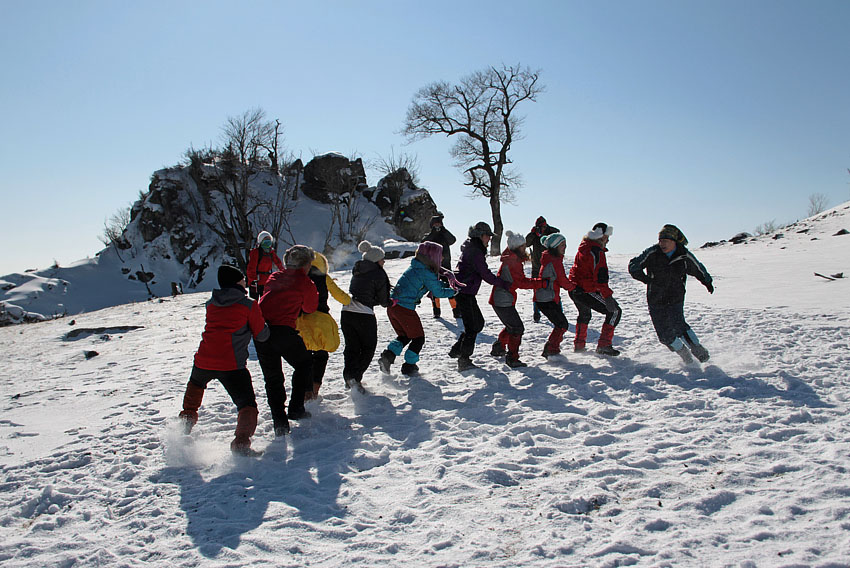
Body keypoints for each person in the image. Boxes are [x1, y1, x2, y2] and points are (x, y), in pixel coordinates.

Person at [178, 265, 269, 456]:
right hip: (231, 364)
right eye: (242, 279)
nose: (245, 281)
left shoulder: (211, 303)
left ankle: (182, 430)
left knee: (194, 393)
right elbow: (261, 335)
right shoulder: (248, 304)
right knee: (247, 405)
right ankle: (241, 443)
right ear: (238, 282)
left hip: (203, 359)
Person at [255, 245, 319, 435]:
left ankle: (280, 423)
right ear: (305, 264)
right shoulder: (305, 282)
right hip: (283, 331)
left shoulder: (275, 277)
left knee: (273, 379)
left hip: (261, 331)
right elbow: (310, 308)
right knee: (305, 364)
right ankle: (296, 408)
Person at [628, 224, 714, 364]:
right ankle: (683, 352)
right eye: (660, 241)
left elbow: (698, 268)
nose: (662, 244)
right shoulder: (652, 253)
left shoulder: (683, 255)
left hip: (676, 296)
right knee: (664, 335)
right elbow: (634, 265)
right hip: (655, 297)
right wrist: (643, 277)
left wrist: (707, 281)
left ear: (674, 241)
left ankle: (698, 349)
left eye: (665, 241)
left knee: (678, 325)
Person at [379, 241, 460, 376]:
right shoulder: (426, 272)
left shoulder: (416, 267)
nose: (442, 259)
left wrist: (443, 284)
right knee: (418, 338)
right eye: (440, 256)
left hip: (393, 307)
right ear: (432, 257)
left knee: (404, 336)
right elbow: (438, 292)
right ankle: (409, 366)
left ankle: (387, 357)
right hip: (404, 308)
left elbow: (432, 284)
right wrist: (454, 292)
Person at [449, 221, 511, 371]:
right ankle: (464, 359)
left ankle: (457, 350)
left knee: (478, 323)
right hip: (464, 292)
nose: (489, 239)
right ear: (481, 236)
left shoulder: (472, 247)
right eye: (488, 236)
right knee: (473, 326)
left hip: (465, 291)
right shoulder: (475, 251)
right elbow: (485, 274)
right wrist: (503, 283)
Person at [296, 252, 351, 402]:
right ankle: (314, 389)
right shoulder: (324, 278)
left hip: (301, 322)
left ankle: (305, 392)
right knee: (321, 355)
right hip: (320, 321)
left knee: (305, 356)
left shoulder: (299, 278)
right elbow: (342, 297)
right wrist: (350, 301)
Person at [488, 230, 545, 368]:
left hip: (501, 299)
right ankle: (512, 358)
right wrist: (541, 282)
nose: (525, 248)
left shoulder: (511, 257)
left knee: (512, 326)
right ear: (517, 247)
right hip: (502, 300)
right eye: (523, 246)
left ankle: (499, 347)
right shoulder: (512, 261)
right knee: (517, 328)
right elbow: (521, 283)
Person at [341, 241, 392, 392]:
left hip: (346, 312)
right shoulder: (379, 273)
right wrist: (391, 302)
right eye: (382, 259)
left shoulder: (357, 269)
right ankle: (355, 378)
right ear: (376, 260)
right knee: (368, 348)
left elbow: (363, 292)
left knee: (352, 348)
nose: (384, 261)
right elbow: (384, 300)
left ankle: (349, 377)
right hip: (364, 315)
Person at [567, 222, 623, 356]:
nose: (608, 240)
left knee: (585, 314)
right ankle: (604, 345)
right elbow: (601, 278)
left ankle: (579, 346)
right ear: (601, 236)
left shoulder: (584, 247)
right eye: (607, 236)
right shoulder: (596, 252)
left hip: (575, 289)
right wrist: (607, 296)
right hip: (586, 291)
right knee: (615, 311)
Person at [534, 233, 577, 358]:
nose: (565, 247)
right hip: (546, 298)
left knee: (561, 323)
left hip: (547, 297)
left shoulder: (550, 259)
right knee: (562, 324)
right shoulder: (554, 261)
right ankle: (551, 348)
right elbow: (562, 280)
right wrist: (574, 287)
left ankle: (553, 348)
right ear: (555, 246)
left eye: (565, 244)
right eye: (562, 245)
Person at [421, 214, 459, 319]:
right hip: (433, 268)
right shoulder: (429, 236)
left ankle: (456, 311)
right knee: (434, 290)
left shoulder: (444, 235)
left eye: (439, 224)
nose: (437, 226)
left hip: (446, 267)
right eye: (435, 224)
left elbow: (453, 240)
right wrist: (433, 233)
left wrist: (443, 230)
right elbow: (423, 243)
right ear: (431, 225)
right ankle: (436, 311)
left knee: (450, 288)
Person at [526, 216, 560, 323]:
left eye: (544, 226)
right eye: (540, 227)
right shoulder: (534, 235)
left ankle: (559, 311)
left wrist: (548, 232)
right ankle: (536, 313)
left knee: (554, 289)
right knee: (536, 291)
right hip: (536, 266)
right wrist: (533, 234)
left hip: (549, 266)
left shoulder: (552, 232)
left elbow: (558, 235)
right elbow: (526, 243)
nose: (542, 229)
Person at [247, 230, 284, 299]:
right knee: (254, 304)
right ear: (261, 241)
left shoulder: (271, 253)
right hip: (256, 282)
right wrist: (252, 280)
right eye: (266, 239)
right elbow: (251, 267)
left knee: (265, 303)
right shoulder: (255, 252)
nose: (268, 241)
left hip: (266, 282)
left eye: (269, 239)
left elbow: (278, 263)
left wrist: (284, 274)